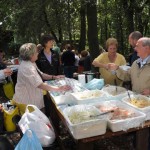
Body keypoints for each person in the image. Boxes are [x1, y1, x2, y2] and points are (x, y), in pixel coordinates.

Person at [12, 43, 70, 115]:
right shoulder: (27, 67)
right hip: (27, 102)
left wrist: (54, 77)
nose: (38, 53)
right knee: (35, 122)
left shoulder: (31, 63)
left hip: (31, 99)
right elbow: (39, 84)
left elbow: (41, 74)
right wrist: (59, 88)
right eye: (36, 51)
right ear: (31, 55)